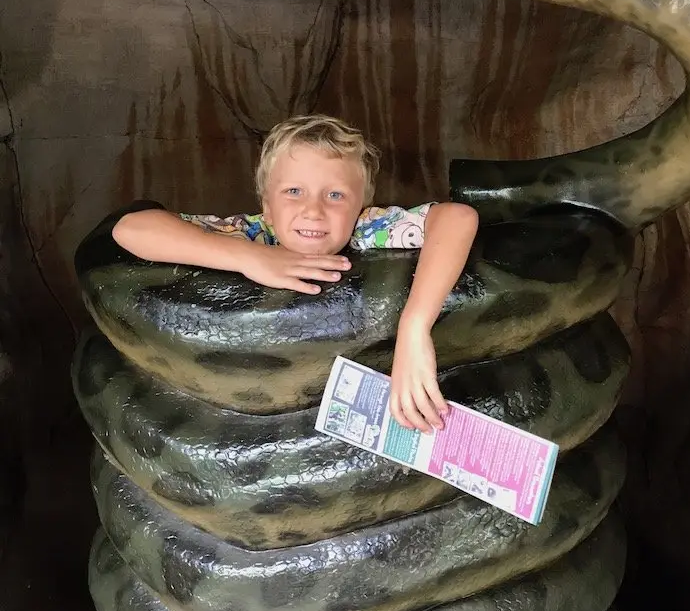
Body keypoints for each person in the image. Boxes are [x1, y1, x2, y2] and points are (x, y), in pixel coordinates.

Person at [112, 114, 479, 434]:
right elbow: (130, 228)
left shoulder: (366, 229)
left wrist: (414, 328)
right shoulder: (251, 232)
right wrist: (246, 255)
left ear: (361, 206)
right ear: (267, 208)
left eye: (335, 195)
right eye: (293, 191)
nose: (313, 210)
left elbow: (458, 218)